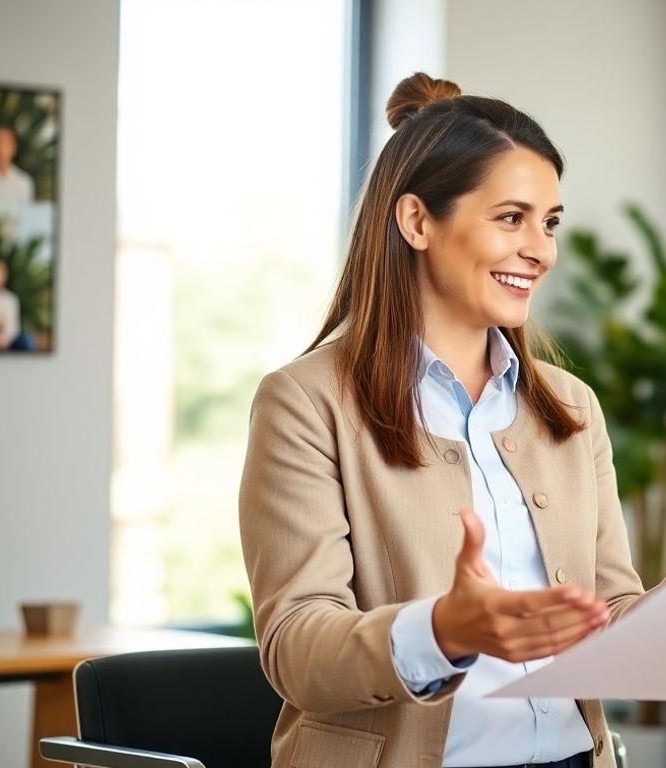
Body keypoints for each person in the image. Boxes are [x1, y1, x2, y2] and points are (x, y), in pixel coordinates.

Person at [239, 73, 644, 768]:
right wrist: (443, 629)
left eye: (549, 223)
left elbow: (610, 609)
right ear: (418, 221)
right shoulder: (304, 404)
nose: (541, 250)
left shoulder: (571, 408)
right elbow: (296, 649)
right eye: (511, 218)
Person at [0, 123, 34, 240]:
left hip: (13, 240)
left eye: (6, 143)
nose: (2, 148)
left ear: (14, 147)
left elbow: (26, 217)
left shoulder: (23, 182)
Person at [0, 258, 20, 351]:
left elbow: (13, 329)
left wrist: (5, 340)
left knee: (26, 341)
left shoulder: (10, 300)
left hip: (7, 343)